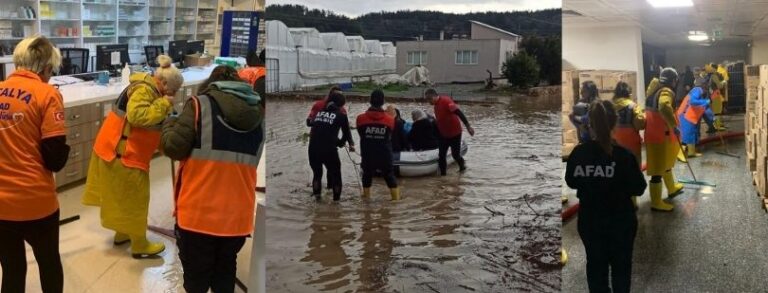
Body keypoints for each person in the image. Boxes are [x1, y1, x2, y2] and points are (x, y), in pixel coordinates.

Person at [160, 65, 263, 292]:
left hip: (199, 214)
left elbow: (173, 147)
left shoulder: (199, 105)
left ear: (210, 85)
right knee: (225, 272)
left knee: (196, 278)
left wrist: (169, 123)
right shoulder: (258, 116)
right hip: (237, 217)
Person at [82, 55, 183, 258]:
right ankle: (139, 244)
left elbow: (155, 125)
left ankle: (122, 233)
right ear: (162, 83)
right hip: (122, 153)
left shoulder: (153, 92)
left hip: (120, 152)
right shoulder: (143, 90)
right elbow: (137, 116)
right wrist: (164, 104)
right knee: (137, 199)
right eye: (172, 90)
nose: (173, 95)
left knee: (123, 198)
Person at [0, 36, 70, 293]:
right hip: (35, 203)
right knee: (49, 263)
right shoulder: (48, 93)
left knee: (11, 268)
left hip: (0, 206)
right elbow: (55, 160)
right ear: (46, 67)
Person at [565, 100, 647, 293]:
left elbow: (571, 181)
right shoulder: (623, 156)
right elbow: (639, 187)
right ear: (614, 123)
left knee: (595, 267)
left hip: (591, 222)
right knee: (621, 269)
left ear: (589, 124)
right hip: (621, 223)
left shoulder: (579, 154)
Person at [644, 67, 684, 212]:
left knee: (665, 163)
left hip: (656, 134)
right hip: (661, 136)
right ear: (673, 80)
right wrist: (673, 125)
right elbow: (663, 106)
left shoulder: (653, 90)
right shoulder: (666, 91)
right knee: (657, 170)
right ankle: (656, 202)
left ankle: (671, 188)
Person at [307, 92, 354, 201]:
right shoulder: (341, 116)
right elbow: (346, 134)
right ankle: (336, 203)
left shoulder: (319, 113)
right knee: (336, 176)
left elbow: (317, 128)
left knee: (317, 174)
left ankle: (317, 200)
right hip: (329, 149)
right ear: (341, 105)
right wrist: (341, 143)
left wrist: (336, 141)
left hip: (313, 148)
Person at [357, 89, 400, 200]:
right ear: (383, 102)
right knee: (389, 176)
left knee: (367, 176)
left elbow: (361, 134)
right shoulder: (390, 120)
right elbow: (390, 134)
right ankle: (396, 201)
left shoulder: (360, 119)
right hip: (384, 154)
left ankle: (366, 201)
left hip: (367, 153)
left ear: (370, 100)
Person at [425, 88, 474, 175]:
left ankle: (462, 167)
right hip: (444, 134)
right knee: (441, 156)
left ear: (433, 97)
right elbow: (441, 119)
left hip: (455, 133)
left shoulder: (446, 101)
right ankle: (443, 177)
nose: (428, 102)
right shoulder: (436, 106)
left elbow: (458, 112)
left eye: (429, 100)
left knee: (455, 155)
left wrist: (468, 126)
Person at [611, 82, 645, 208]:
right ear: (628, 93)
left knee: (616, 169)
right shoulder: (632, 106)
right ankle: (632, 202)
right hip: (631, 141)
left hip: (613, 140)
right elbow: (639, 124)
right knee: (633, 170)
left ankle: (617, 200)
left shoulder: (610, 105)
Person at [676, 76, 715, 160]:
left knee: (691, 133)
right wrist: (706, 101)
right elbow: (693, 101)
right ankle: (680, 154)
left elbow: (705, 110)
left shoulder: (701, 93)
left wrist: (712, 119)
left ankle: (691, 152)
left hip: (690, 116)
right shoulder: (698, 90)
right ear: (703, 85)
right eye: (706, 85)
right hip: (685, 115)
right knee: (687, 134)